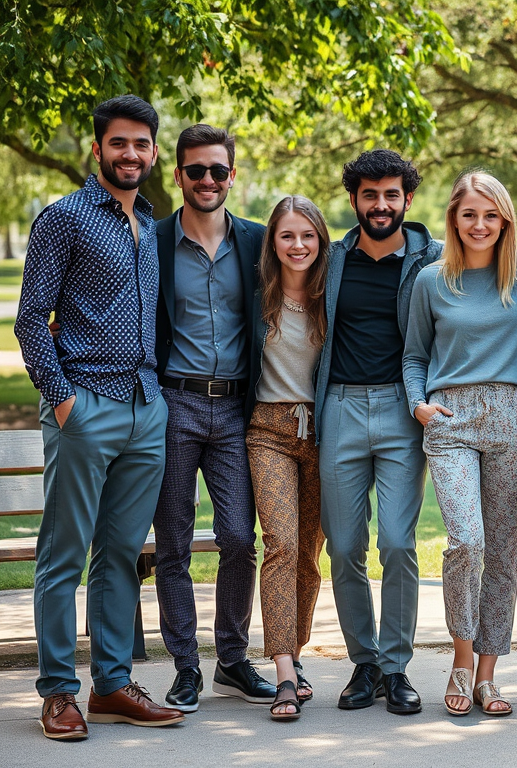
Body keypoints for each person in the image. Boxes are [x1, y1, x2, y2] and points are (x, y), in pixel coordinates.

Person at [15, 95, 185, 739]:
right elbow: (32, 319)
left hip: (147, 409)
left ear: (152, 153)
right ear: (98, 148)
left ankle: (112, 685)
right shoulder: (64, 218)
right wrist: (65, 403)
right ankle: (59, 691)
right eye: (119, 143)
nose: (131, 154)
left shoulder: (148, 219)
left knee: (118, 553)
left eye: (142, 144)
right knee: (63, 554)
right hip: (86, 404)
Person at [403, 173, 517, 717]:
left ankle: (488, 673)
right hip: (451, 417)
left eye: (491, 215)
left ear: (505, 219)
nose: (480, 225)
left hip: (512, 416)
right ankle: (461, 660)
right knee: (466, 539)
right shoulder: (431, 280)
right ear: (454, 219)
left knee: (504, 549)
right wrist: (419, 404)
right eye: (470, 215)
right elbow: (415, 353)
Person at [312, 149, 439, 715]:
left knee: (397, 542)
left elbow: (509, 251)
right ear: (354, 200)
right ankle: (363, 664)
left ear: (407, 200)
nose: (380, 204)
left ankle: (396, 666)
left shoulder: (434, 258)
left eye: (391, 194)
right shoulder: (332, 259)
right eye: (370, 195)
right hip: (338, 407)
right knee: (343, 547)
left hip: (400, 410)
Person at [152, 125, 274, 711]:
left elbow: (327, 252)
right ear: (177, 175)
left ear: (232, 175)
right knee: (172, 542)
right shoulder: (148, 241)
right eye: (195, 170)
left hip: (234, 409)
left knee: (236, 538)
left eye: (217, 171)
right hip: (172, 403)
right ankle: (184, 666)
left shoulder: (257, 241)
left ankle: (231, 658)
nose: (207, 180)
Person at [245, 196, 331, 720]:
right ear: (272, 243)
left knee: (308, 552)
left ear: (321, 241)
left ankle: (294, 656)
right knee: (279, 542)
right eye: (287, 236)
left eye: (307, 236)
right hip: (268, 430)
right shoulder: (257, 299)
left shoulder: (331, 296)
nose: (297, 246)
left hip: (324, 434)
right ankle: (281, 672)